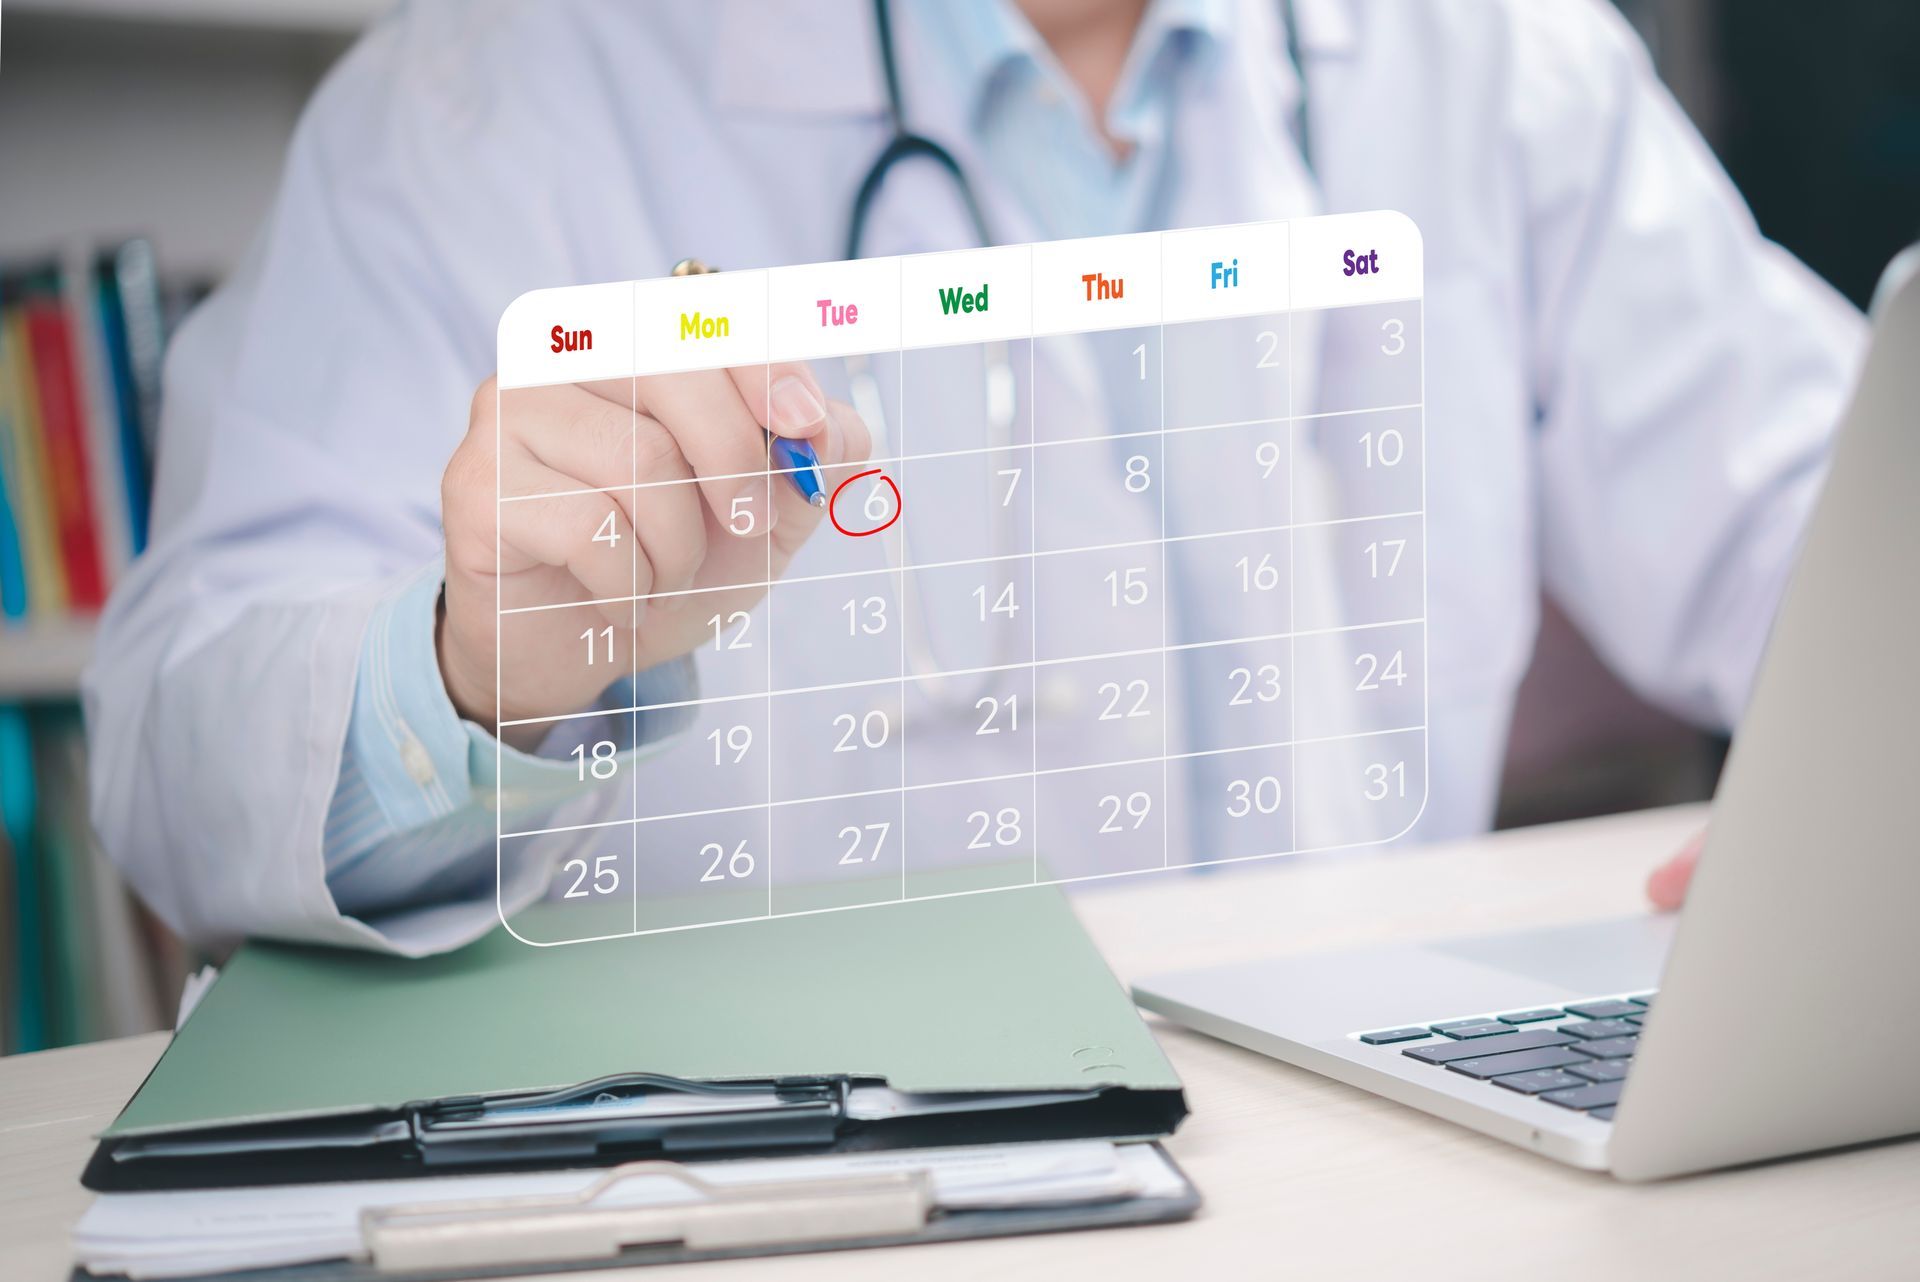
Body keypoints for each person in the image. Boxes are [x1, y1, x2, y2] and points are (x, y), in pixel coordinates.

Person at [85, 0, 1863, 955]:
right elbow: (180, 752)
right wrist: (479, 671)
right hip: (790, 1207)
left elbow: (1838, 520)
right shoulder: (480, 104)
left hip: (1370, 1183)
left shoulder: (1500, 59)